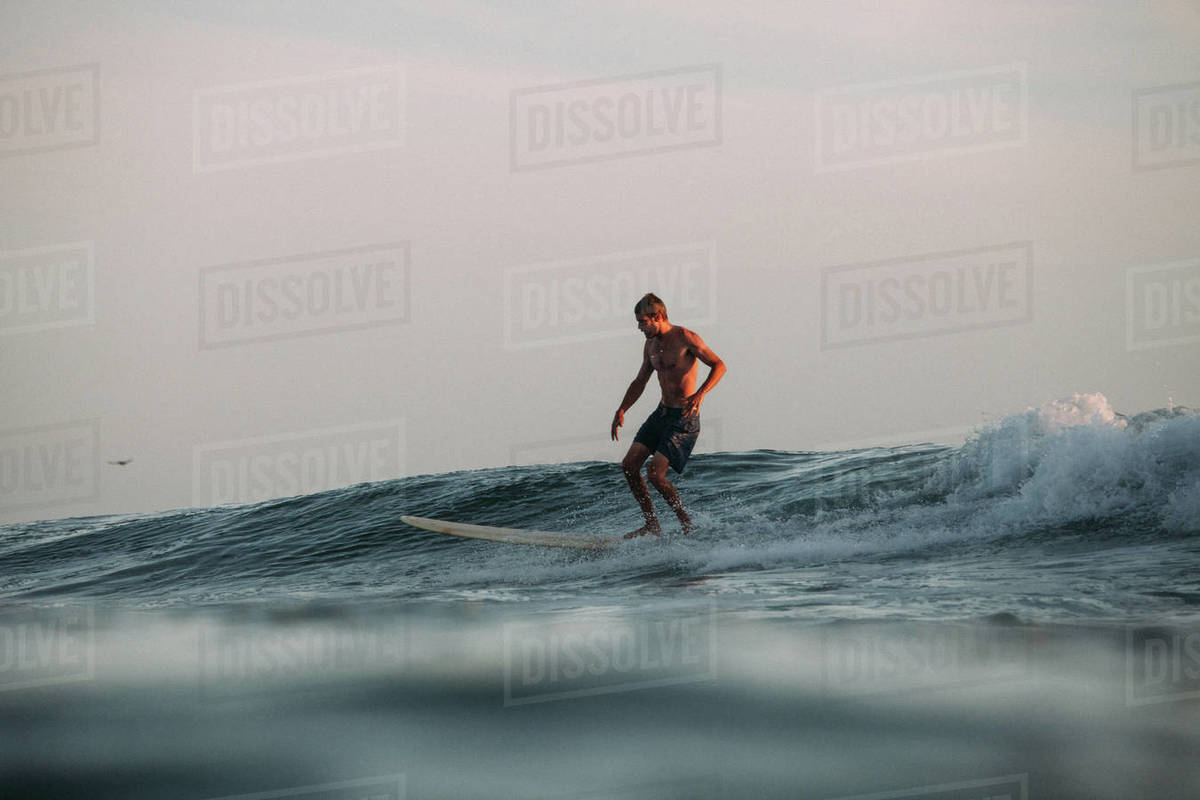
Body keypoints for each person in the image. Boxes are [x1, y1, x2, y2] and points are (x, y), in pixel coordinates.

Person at [610, 293, 726, 538]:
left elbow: (719, 365)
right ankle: (652, 525)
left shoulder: (685, 337)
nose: (639, 327)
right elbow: (640, 380)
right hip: (661, 414)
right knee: (629, 466)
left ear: (657, 317)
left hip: (683, 418)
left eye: (642, 322)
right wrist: (622, 409)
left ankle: (687, 523)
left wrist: (701, 393)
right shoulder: (650, 344)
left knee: (654, 474)